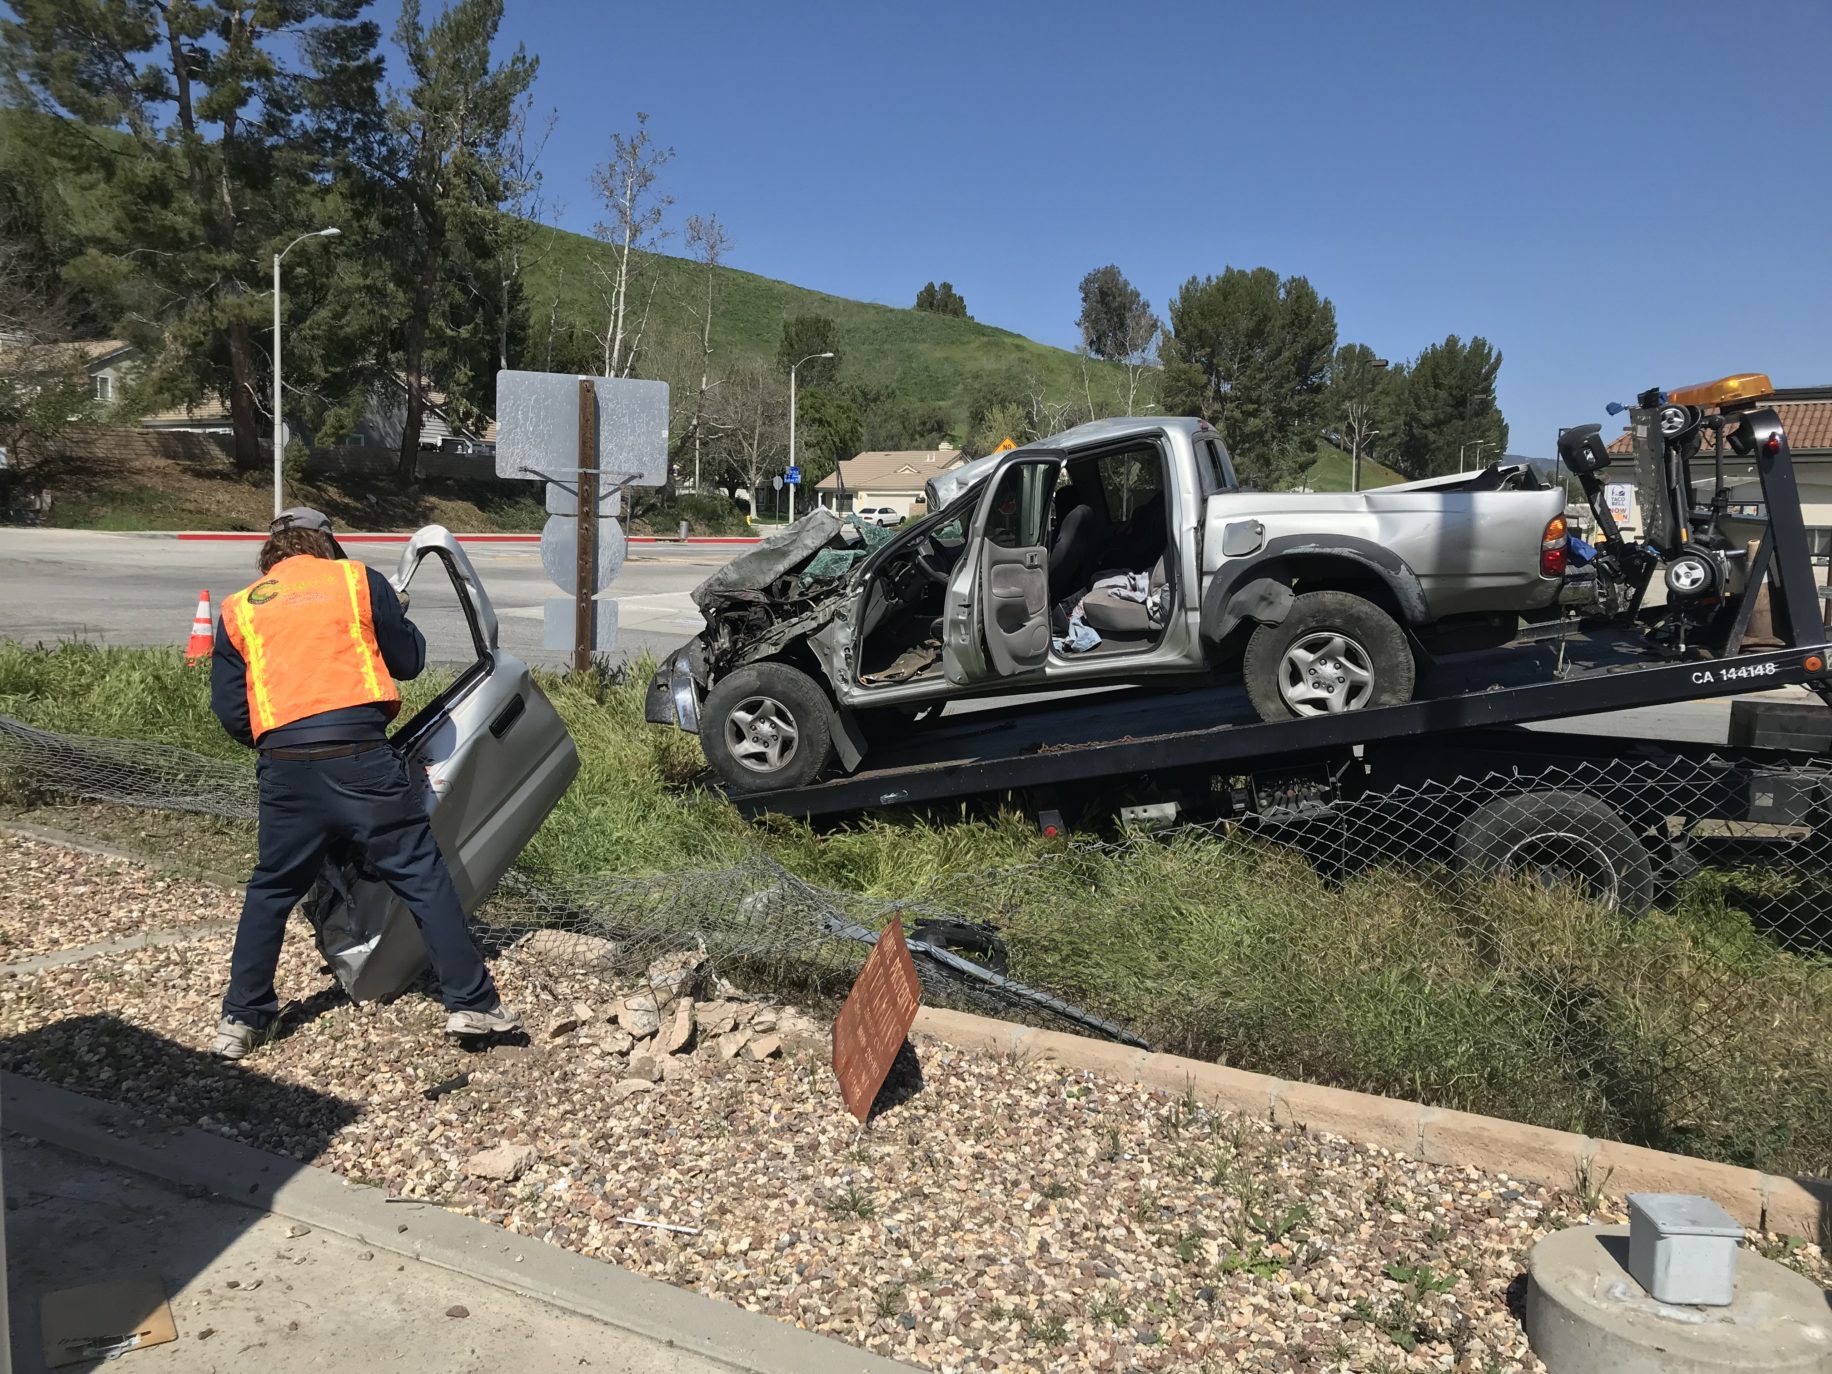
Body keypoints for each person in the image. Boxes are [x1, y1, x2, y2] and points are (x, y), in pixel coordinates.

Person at [207, 508, 518, 1059]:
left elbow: (233, 712)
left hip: (285, 764)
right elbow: (410, 662)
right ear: (327, 544)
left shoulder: (239, 609)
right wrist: (395, 615)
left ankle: (242, 1018)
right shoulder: (356, 582)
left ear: (271, 555)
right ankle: (470, 1003)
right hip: (360, 757)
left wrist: (286, 749)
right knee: (420, 873)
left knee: (273, 888)